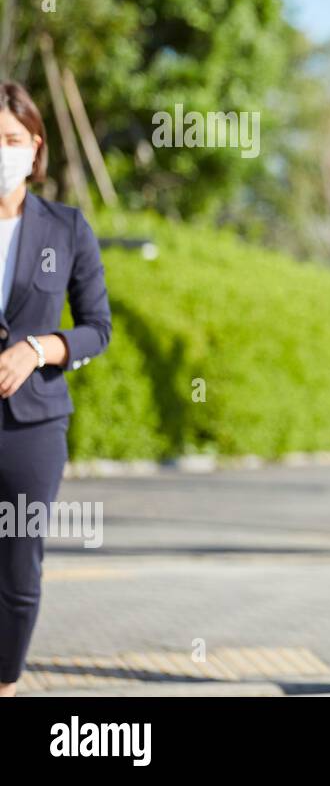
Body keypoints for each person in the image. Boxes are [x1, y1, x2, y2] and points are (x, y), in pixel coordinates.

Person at [0, 81, 111, 697]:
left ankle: (6, 683)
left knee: (17, 567)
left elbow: (98, 329)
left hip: (32, 424)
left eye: (11, 140)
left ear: (34, 146)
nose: (2, 152)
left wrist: (39, 348)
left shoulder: (65, 227)